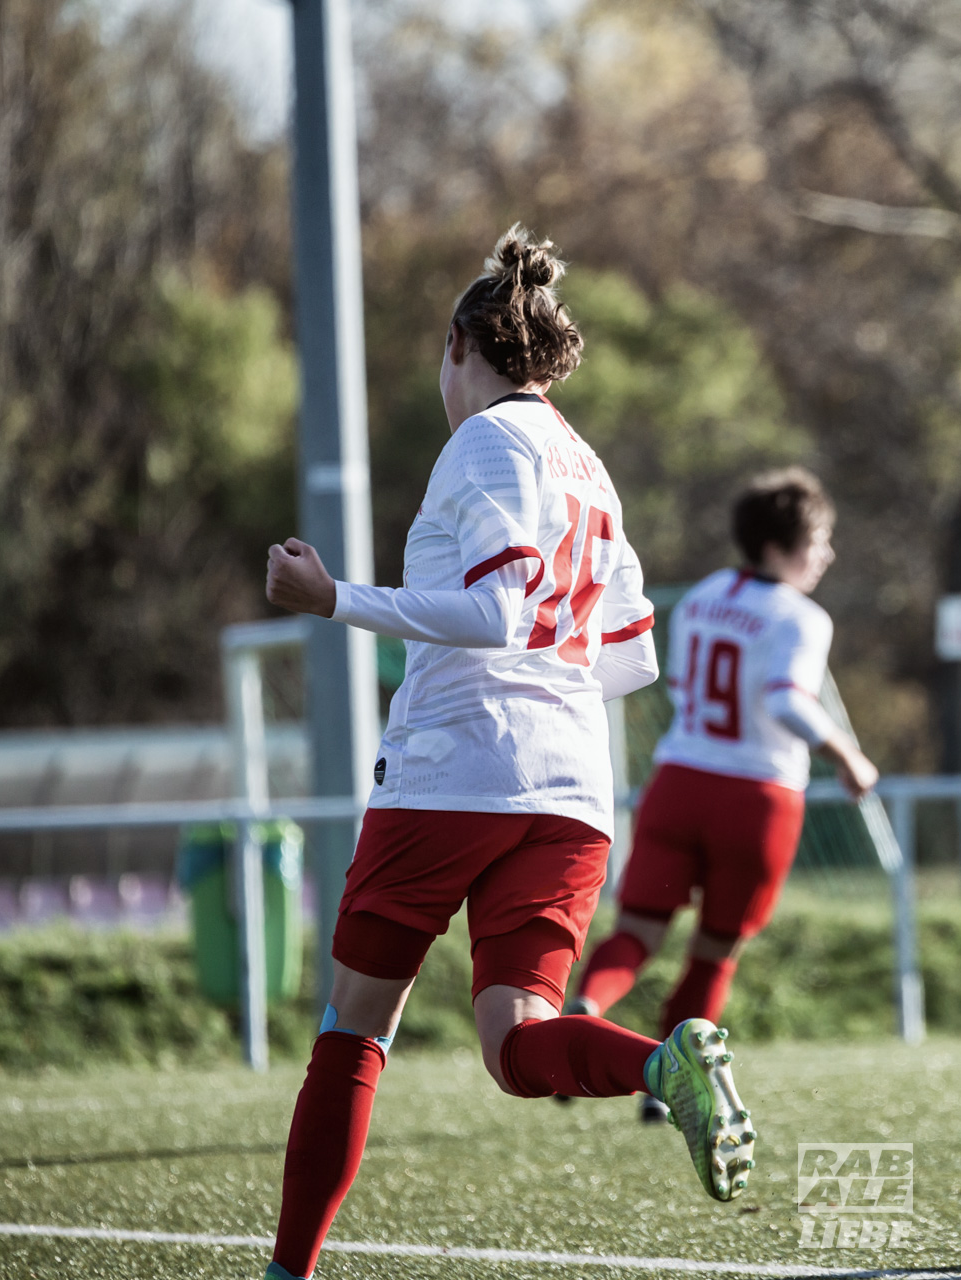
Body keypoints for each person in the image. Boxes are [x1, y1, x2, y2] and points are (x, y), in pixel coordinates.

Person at [258, 227, 756, 1280]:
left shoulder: (483, 442)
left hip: (456, 769)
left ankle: (286, 1272)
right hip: (572, 786)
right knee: (516, 1043)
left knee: (355, 1026)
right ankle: (664, 1063)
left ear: (458, 345)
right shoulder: (589, 466)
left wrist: (333, 596)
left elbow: (495, 610)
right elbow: (632, 656)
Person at [567, 468, 878, 1120]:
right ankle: (669, 1089)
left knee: (637, 932)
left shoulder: (706, 595)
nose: (825, 554)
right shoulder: (801, 616)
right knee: (713, 950)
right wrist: (845, 753)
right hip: (755, 797)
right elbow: (785, 699)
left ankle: (586, 1013)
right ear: (775, 547)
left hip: (678, 781)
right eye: (816, 541)